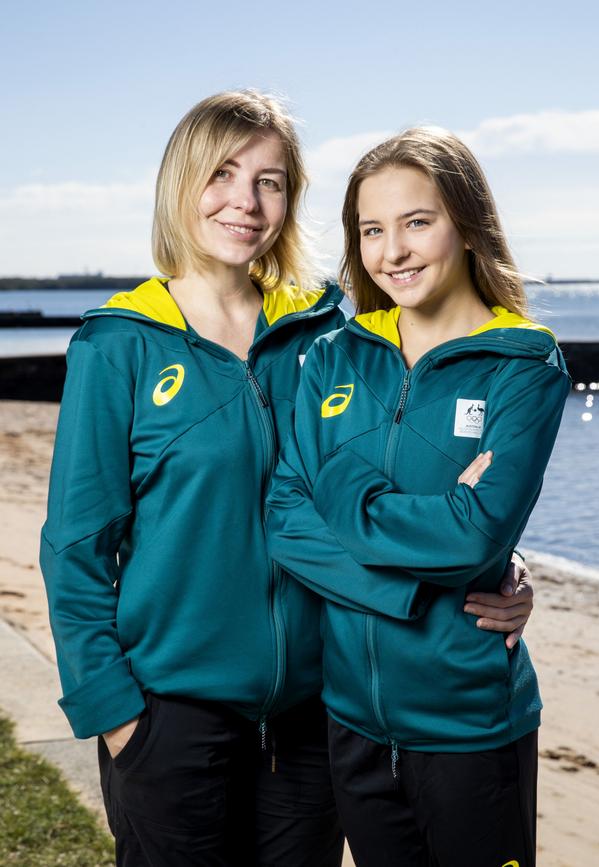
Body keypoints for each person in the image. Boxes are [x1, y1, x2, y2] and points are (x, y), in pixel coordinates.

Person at [40, 92, 534, 867]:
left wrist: (501, 563)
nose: (245, 200)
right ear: (180, 186)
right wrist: (117, 717)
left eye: (270, 180)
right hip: (170, 719)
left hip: (316, 721)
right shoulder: (118, 345)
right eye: (223, 174)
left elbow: (421, 480)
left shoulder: (330, 336)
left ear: (291, 198)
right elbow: (74, 547)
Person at [266, 127, 571, 867]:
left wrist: (337, 482)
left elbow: (472, 536)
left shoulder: (523, 365)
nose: (392, 251)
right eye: (372, 230)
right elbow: (282, 517)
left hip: (470, 728)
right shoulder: (332, 356)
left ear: (466, 224)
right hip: (352, 722)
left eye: (416, 222)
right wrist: (417, 587)